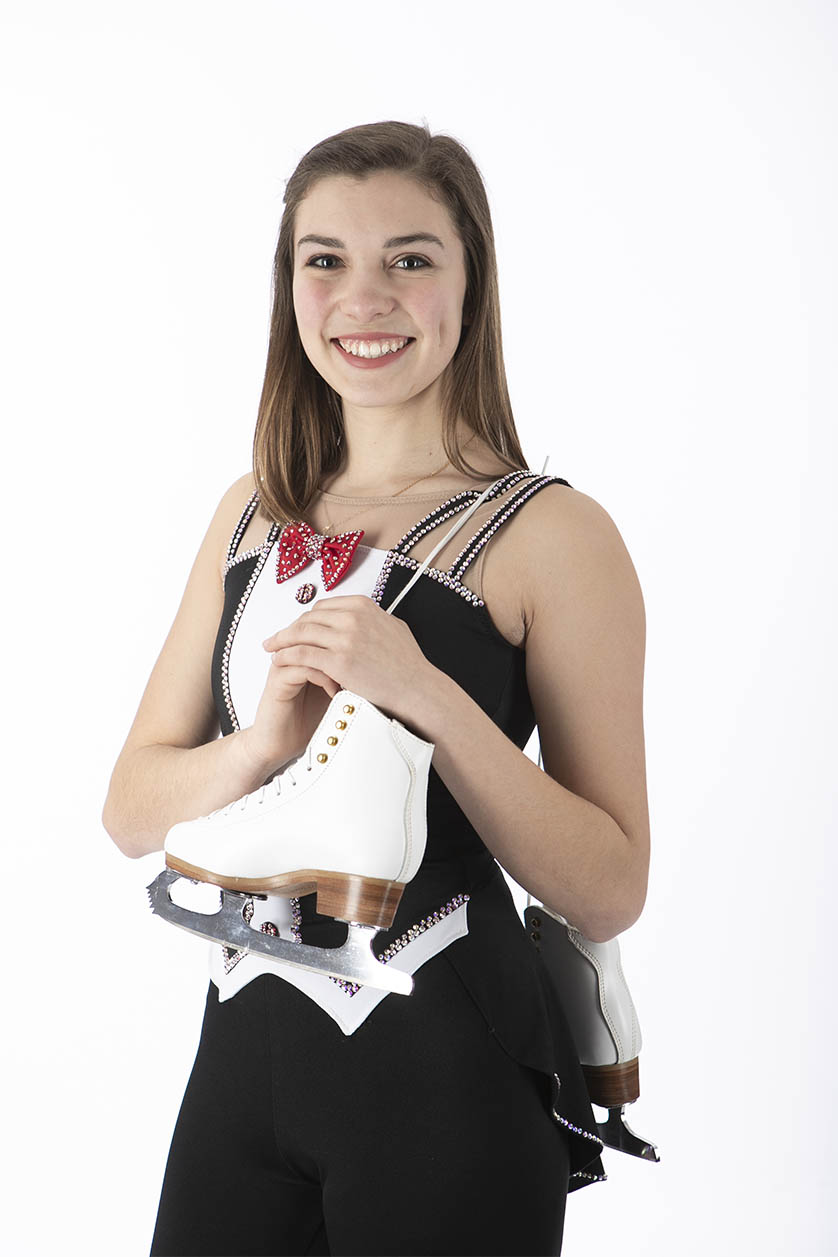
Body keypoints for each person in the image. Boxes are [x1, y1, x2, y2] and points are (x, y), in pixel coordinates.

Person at [103, 119, 650, 1257]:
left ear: (469, 281)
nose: (365, 298)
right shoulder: (253, 509)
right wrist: (259, 747)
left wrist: (426, 698)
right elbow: (132, 810)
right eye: (326, 260)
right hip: (241, 1065)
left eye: (409, 258)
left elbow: (608, 887)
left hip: (445, 1074)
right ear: (289, 286)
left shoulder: (551, 534)